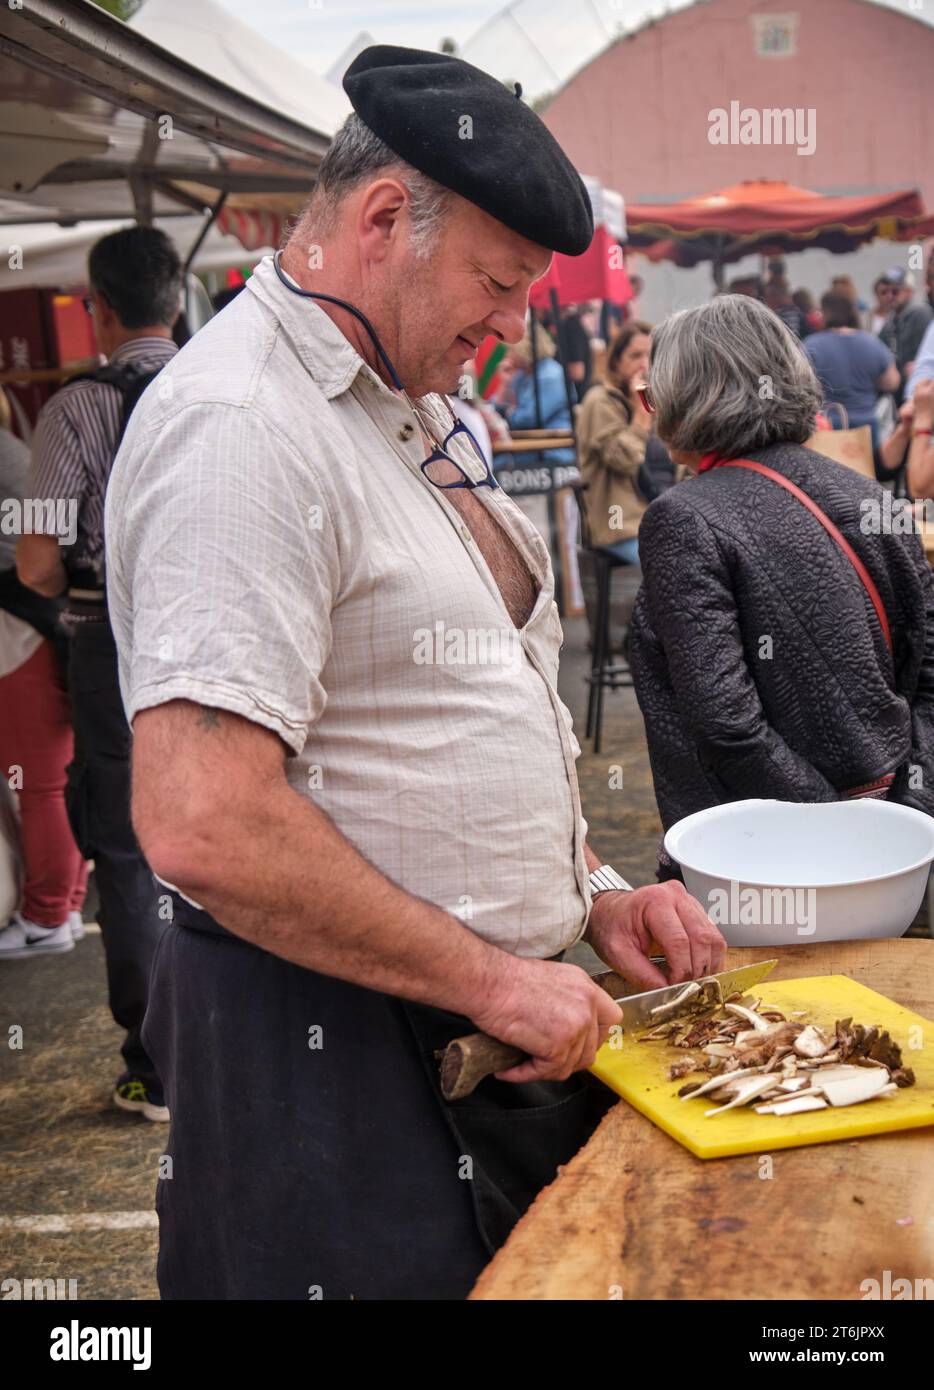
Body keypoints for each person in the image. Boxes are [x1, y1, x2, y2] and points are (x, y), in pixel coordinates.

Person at [105, 45, 724, 1301]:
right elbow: (204, 818)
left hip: (479, 1039)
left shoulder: (423, 406)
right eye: (496, 286)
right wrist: (494, 974)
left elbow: (456, 712)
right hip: (329, 1059)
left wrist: (592, 892)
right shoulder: (240, 427)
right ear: (385, 215)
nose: (505, 329)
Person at [629, 295, 934, 880]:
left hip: (758, 862)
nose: (651, 414)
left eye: (653, 398)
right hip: (898, 850)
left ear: (689, 398)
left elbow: (727, 726)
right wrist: (905, 822)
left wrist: (839, 839)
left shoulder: (682, 518)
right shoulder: (873, 498)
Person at [16, 226, 181, 1122]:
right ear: (181, 301)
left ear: (99, 310)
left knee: (126, 848)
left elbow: (38, 562)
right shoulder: (224, 386)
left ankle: (157, 1068)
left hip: (112, 644)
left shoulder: (70, 410)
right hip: (222, 634)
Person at [0, 389, 88, 956]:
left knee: (37, 784)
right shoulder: (13, 448)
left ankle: (47, 917)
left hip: (18, 630)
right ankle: (68, 907)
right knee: (53, 776)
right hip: (48, 625)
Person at [576, 320, 653, 564]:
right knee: (670, 565)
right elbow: (624, 460)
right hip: (620, 525)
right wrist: (641, 413)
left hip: (661, 514)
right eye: (635, 356)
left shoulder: (655, 401)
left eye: (651, 356)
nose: (644, 365)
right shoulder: (601, 401)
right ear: (616, 362)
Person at [803, 291, 899, 447]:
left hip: (827, 426)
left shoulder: (812, 345)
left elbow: (799, 384)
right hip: (866, 426)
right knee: (866, 469)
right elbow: (892, 382)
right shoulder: (872, 343)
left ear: (826, 313)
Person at [495, 322, 576, 466]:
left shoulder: (551, 376)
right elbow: (497, 408)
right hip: (528, 445)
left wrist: (506, 413)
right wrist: (504, 384)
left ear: (525, 348)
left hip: (550, 450)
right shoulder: (522, 374)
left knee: (496, 466)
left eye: (511, 350)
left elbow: (528, 419)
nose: (508, 355)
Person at [877, 267, 933, 407]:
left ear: (909, 291)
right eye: (884, 292)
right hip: (901, 388)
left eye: (895, 291)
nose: (889, 296)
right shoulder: (890, 321)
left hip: (917, 388)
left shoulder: (920, 314)